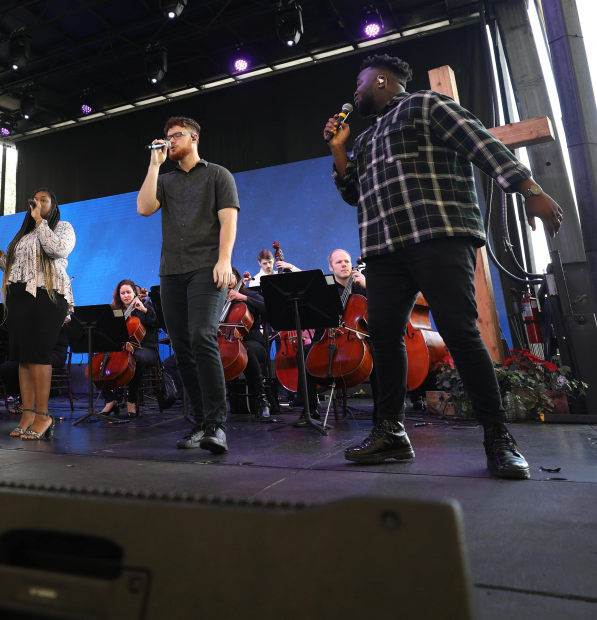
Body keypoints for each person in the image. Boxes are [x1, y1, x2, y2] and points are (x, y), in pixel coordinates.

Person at [325, 54, 561, 479]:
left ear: (381, 81)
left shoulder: (426, 104)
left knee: (460, 333)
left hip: (438, 233)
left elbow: (480, 143)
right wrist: (339, 149)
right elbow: (352, 193)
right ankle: (391, 433)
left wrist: (530, 190)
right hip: (383, 249)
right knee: (384, 339)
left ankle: (498, 437)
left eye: (359, 82)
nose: (354, 91)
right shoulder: (366, 137)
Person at [137, 116, 240, 455]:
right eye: (166, 136)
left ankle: (217, 424)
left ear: (194, 138)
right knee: (181, 347)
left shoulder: (218, 174)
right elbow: (144, 208)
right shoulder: (164, 180)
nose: (169, 141)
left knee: (201, 336)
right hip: (171, 272)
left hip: (207, 268)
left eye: (176, 136)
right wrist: (154, 165)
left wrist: (224, 261)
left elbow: (228, 219)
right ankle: (200, 421)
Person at [0, 188, 76, 441]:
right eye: (34, 200)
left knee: (38, 355)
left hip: (48, 293)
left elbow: (57, 250)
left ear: (53, 205)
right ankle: (27, 415)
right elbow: (13, 267)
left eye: (43, 200)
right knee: (23, 358)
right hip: (19, 295)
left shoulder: (62, 227)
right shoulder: (24, 234)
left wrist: (40, 222)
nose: (37, 203)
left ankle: (43, 415)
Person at [99, 280, 161, 418]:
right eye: (122, 293)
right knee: (97, 362)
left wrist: (144, 310)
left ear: (134, 293)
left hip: (147, 349)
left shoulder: (146, 306)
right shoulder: (116, 310)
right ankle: (110, 399)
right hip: (124, 349)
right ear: (119, 295)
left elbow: (158, 323)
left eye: (128, 292)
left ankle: (131, 401)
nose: (126, 295)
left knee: (136, 359)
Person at [226, 267, 275, 420]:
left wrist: (244, 298)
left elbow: (270, 309)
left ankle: (262, 401)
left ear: (236, 277)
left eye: (230, 276)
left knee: (246, 351)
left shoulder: (250, 295)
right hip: (227, 342)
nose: (227, 279)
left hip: (254, 344)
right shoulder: (217, 299)